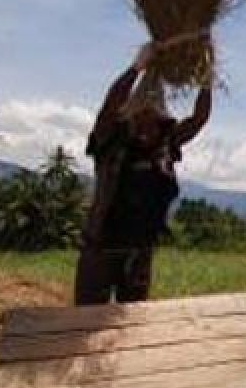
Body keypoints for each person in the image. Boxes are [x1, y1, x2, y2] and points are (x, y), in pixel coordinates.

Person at [74, 41, 212, 305]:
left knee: (132, 327)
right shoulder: (110, 140)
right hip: (101, 250)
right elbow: (110, 105)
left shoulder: (166, 143)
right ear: (130, 116)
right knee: (87, 322)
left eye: (155, 118)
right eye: (141, 117)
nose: (148, 125)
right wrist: (137, 68)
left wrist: (207, 77)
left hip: (139, 254)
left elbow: (199, 118)